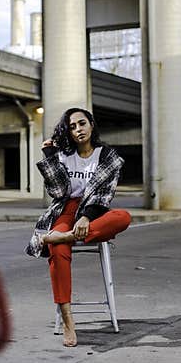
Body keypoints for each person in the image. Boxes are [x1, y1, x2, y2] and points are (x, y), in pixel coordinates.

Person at [25, 107, 131, 347]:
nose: (78, 130)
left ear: (91, 124)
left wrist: (85, 217)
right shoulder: (64, 156)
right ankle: (68, 322)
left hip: (95, 212)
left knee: (123, 216)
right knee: (58, 251)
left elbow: (105, 195)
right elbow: (58, 192)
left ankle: (62, 237)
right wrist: (51, 157)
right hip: (66, 209)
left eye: (81, 123)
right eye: (72, 127)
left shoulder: (108, 157)